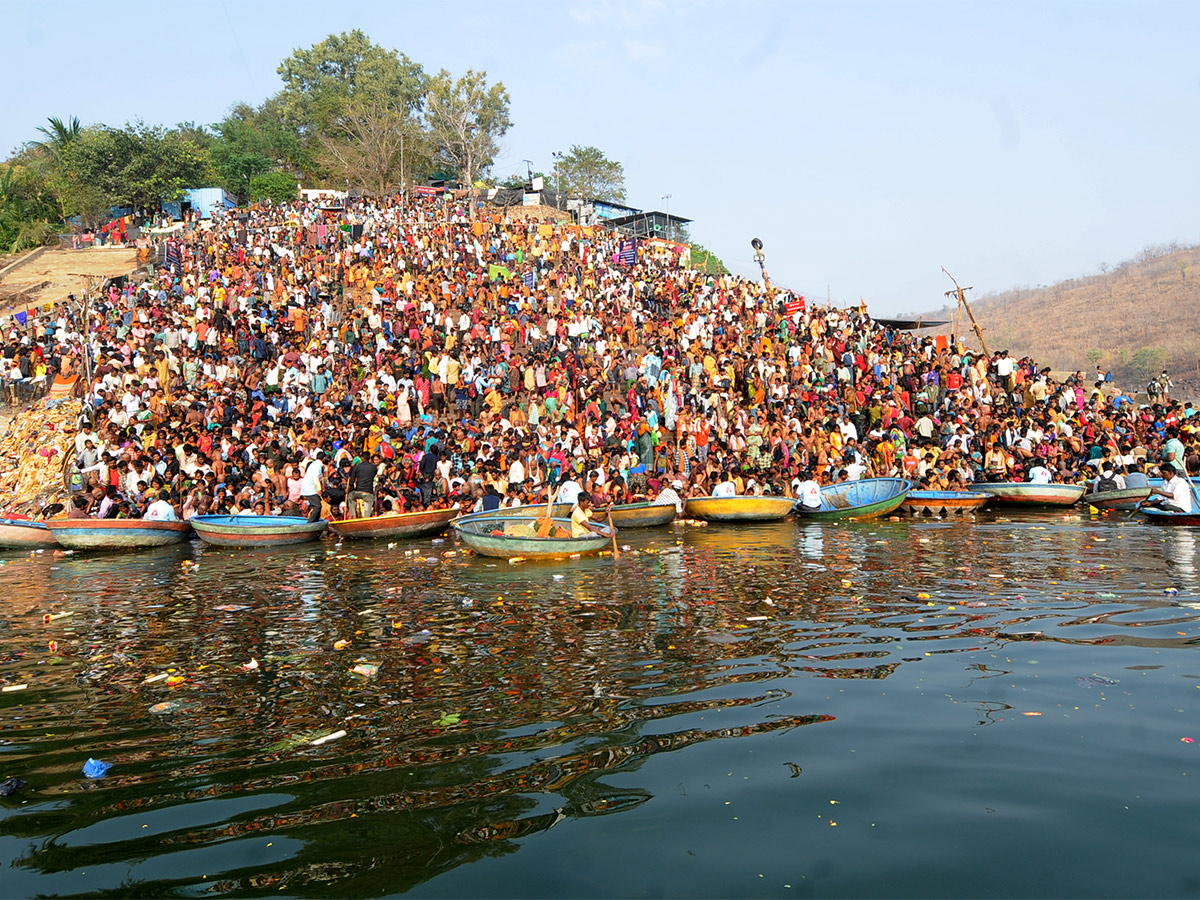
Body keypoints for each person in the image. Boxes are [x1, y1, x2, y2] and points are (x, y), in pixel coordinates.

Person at [299, 450, 325, 523]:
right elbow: (315, 477)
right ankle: (310, 523)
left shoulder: (315, 464)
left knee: (316, 506)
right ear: (324, 459)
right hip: (310, 488)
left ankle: (315, 521)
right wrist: (319, 489)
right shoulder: (317, 465)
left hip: (310, 487)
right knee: (317, 506)